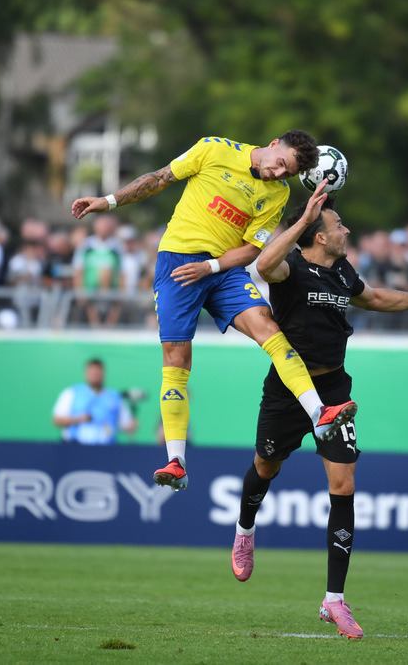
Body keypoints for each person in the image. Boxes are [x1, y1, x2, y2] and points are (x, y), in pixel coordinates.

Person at [230, 187, 408, 640]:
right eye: (338, 225)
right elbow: (263, 265)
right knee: (266, 466)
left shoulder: (342, 270)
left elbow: (376, 298)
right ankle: (245, 530)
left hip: (334, 387)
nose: (345, 230)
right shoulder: (290, 268)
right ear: (318, 236)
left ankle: (334, 601)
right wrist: (303, 219)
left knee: (342, 486)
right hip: (289, 388)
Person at [71, 130, 357, 489]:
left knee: (269, 329)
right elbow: (159, 179)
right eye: (280, 165)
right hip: (178, 264)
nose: (277, 175)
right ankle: (176, 460)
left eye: (286, 174)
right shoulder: (214, 149)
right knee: (177, 360)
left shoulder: (278, 194)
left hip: (223, 269)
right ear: (272, 145)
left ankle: (319, 413)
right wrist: (109, 201)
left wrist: (213, 267)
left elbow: (254, 249)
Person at [52, 358, 137, 445]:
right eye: (92, 372)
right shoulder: (72, 392)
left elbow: (126, 425)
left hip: (106, 449)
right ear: (86, 374)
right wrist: (78, 419)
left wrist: (132, 425)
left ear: (103, 374)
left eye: (98, 373)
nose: (95, 376)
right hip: (75, 447)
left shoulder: (115, 397)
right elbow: (57, 420)